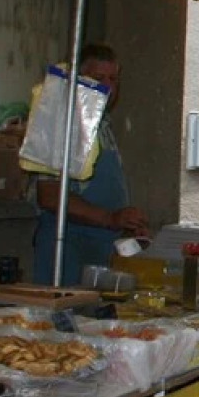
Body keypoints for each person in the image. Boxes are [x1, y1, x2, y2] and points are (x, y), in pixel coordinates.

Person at [33, 44, 148, 286]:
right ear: (77, 81)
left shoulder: (101, 124)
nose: (108, 86)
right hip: (67, 250)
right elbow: (50, 196)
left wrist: (125, 223)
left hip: (101, 250)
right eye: (99, 78)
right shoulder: (62, 125)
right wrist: (109, 217)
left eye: (113, 79)